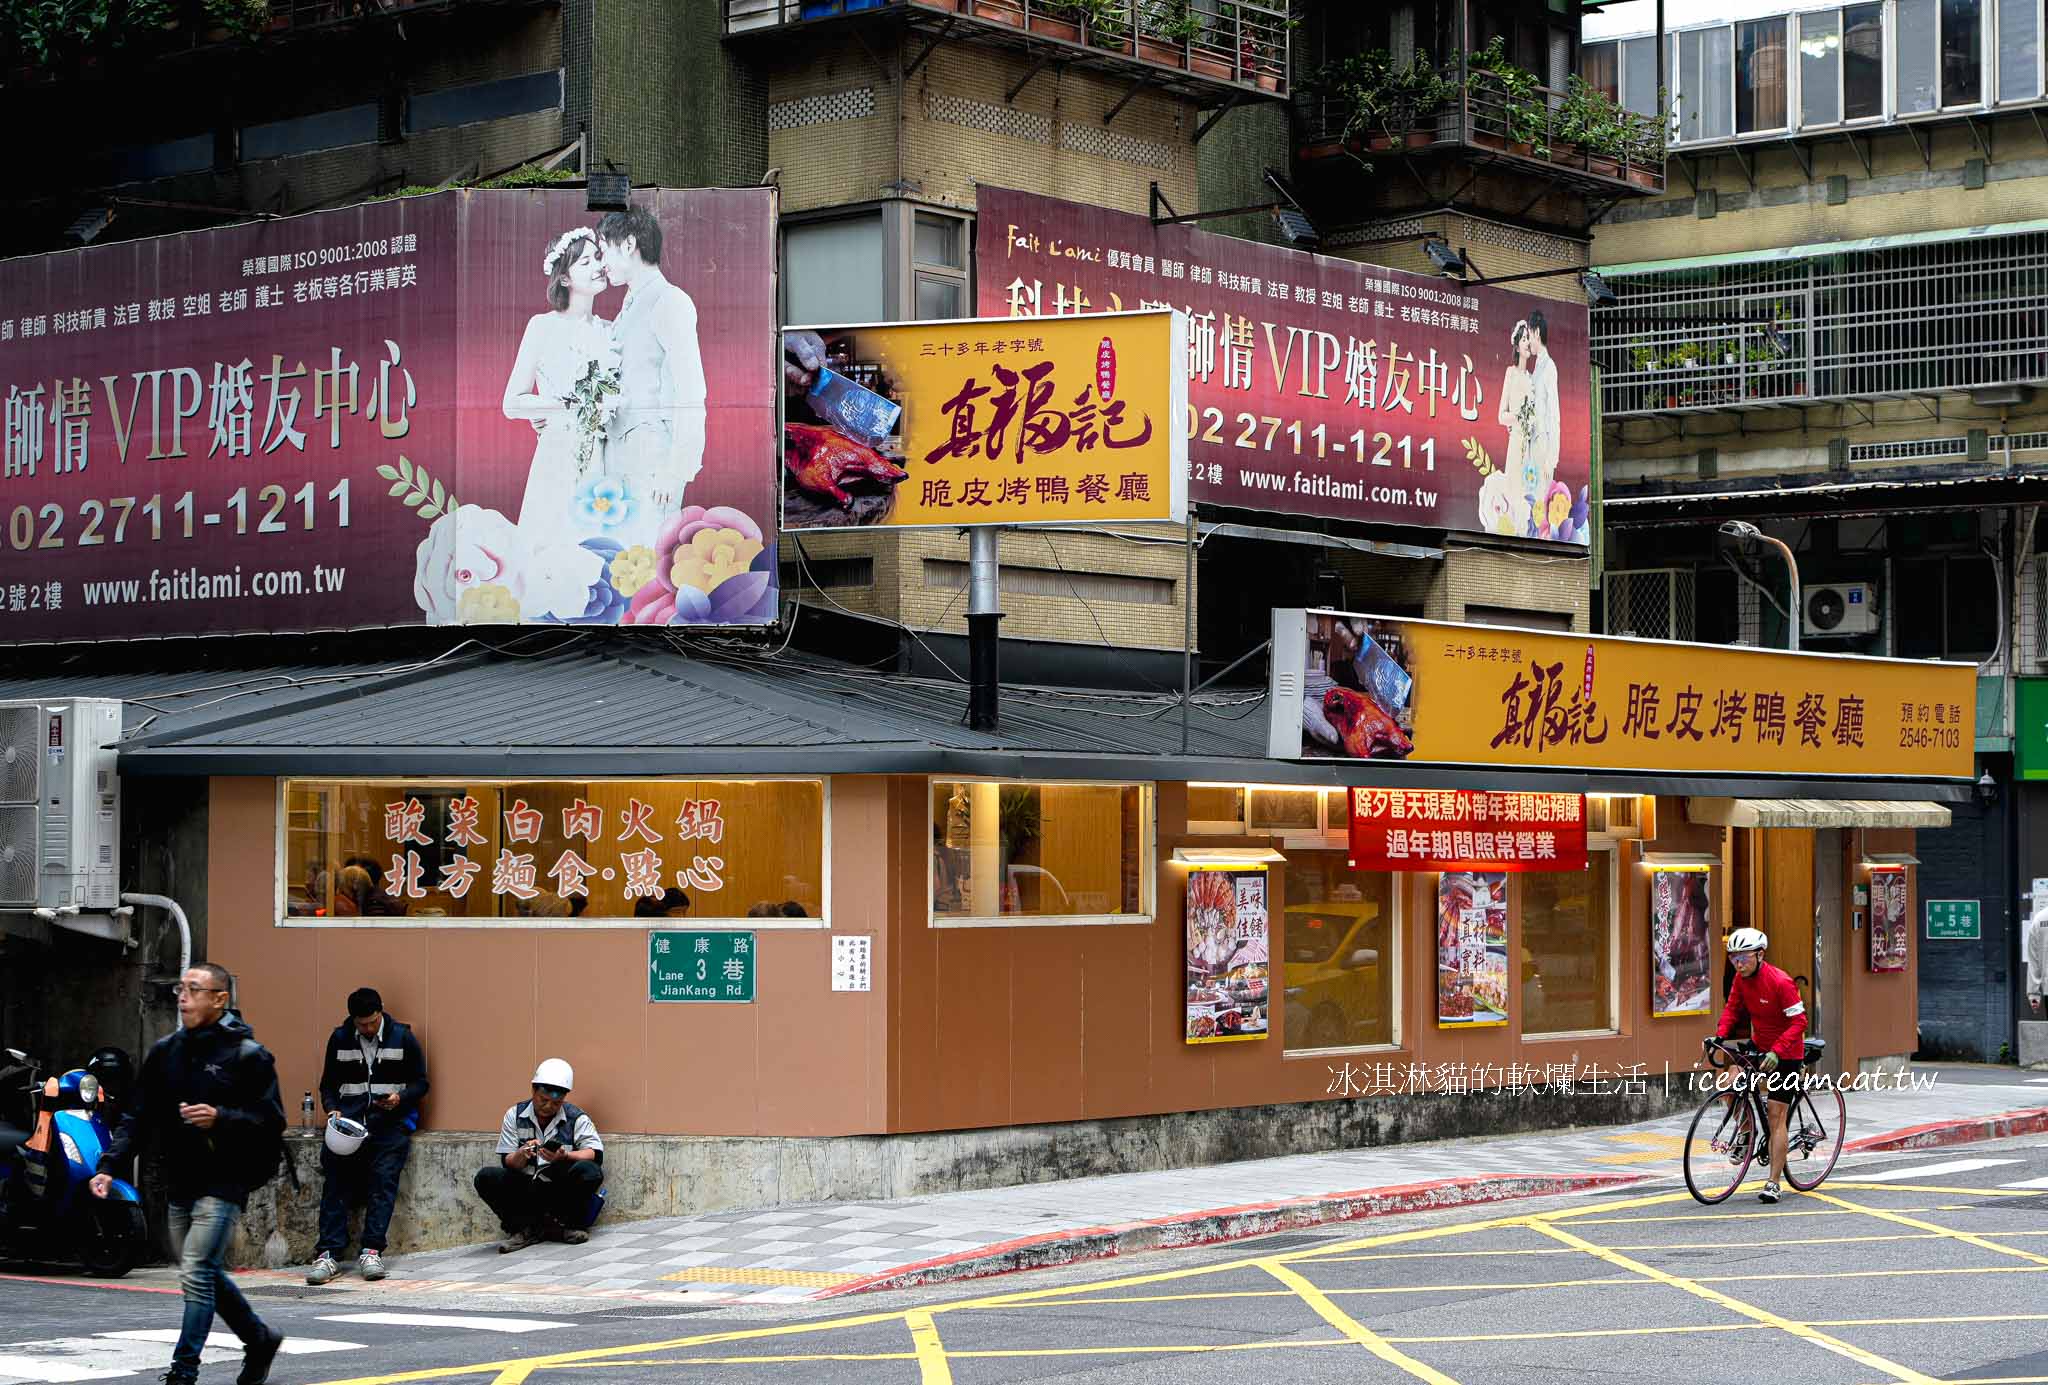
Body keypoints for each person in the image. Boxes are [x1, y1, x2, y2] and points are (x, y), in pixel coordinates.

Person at [90, 964, 287, 1385]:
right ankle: (259, 1338)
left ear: (219, 998)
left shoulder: (248, 1056)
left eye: (194, 990)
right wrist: (109, 1166)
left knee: (196, 1272)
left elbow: (271, 1120)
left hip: (225, 1180)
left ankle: (183, 1372)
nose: (183, 997)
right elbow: (137, 1116)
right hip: (181, 1178)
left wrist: (221, 1117)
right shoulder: (166, 1052)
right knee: (203, 1271)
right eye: (182, 988)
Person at [502, 226, 621, 549]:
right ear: (564, 278)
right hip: (558, 455)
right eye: (584, 262)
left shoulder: (611, 331)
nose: (597, 266)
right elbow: (512, 403)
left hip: (604, 456)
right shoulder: (543, 327)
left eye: (597, 257)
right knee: (552, 549)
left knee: (602, 553)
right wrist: (561, 407)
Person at [306, 987, 430, 1286]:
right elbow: (328, 1084)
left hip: (390, 1125)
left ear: (381, 1013)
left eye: (372, 1022)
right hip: (348, 1126)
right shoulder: (339, 1038)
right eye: (361, 1024)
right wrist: (332, 1109)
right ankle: (327, 1255)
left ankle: (372, 1251)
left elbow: (421, 1083)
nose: (367, 1029)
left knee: (383, 1186)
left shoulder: (403, 1037)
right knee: (335, 1186)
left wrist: (400, 1099)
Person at [598, 206, 706, 544]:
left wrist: (676, 471)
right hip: (619, 457)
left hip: (652, 459)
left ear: (628, 244)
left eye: (604, 251)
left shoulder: (671, 300)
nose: (603, 262)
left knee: (646, 562)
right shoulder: (628, 304)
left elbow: (691, 391)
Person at [1709, 927, 1808, 1205]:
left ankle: (1774, 1183)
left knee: (1776, 1117)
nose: (1738, 964)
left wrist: (1778, 1051)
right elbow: (1732, 1009)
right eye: (1733, 958)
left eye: (1743, 958)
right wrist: (1720, 1035)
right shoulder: (1741, 981)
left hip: (1786, 1053)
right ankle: (1746, 1131)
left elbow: (1800, 1023)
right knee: (1727, 1081)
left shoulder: (1781, 982)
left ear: (1760, 954)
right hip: (1759, 1046)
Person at [474, 1059, 605, 1253]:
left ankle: (565, 1226)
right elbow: (507, 1161)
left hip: (559, 1188)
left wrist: (565, 1156)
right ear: (533, 1091)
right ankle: (522, 1230)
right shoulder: (514, 1115)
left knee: (590, 1171)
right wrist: (522, 1153)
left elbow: (594, 1153)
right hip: (526, 1186)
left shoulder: (576, 1117)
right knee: (486, 1177)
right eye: (543, 1100)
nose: (548, 1106)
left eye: (556, 1103)